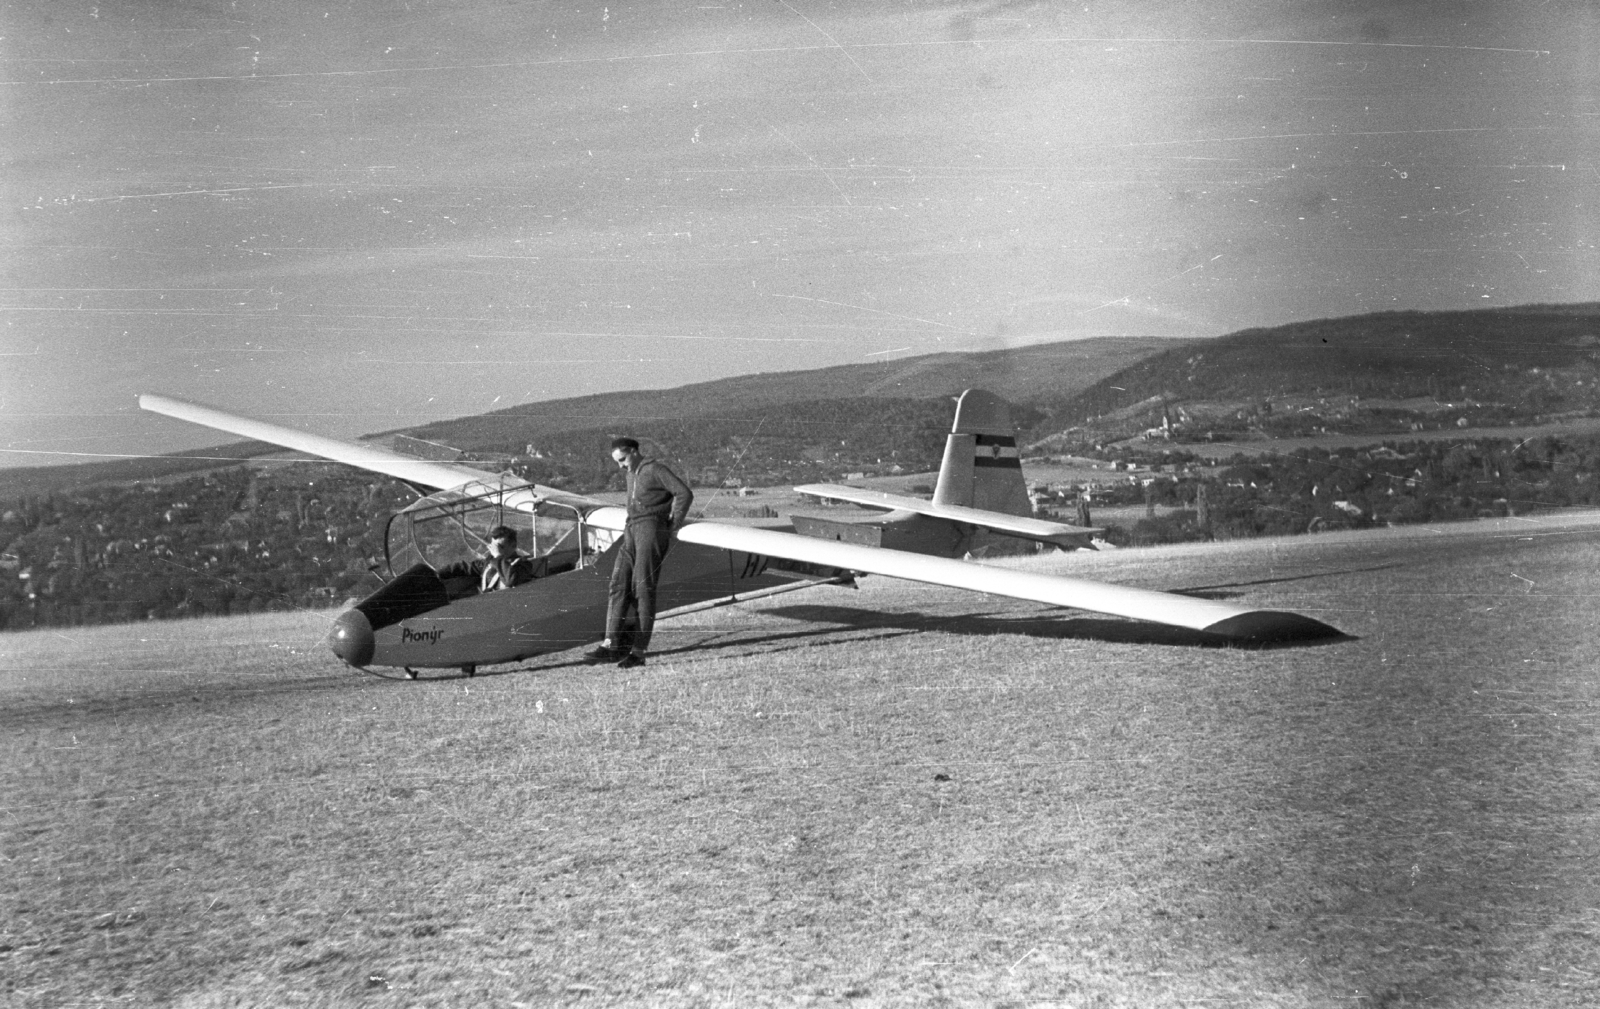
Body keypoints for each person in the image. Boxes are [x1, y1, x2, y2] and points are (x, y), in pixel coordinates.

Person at [586, 437, 693, 668]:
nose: (620, 466)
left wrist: (673, 523)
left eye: (622, 460)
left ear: (634, 452)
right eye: (617, 461)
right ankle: (610, 644)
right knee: (618, 584)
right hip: (631, 529)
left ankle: (638, 652)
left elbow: (684, 493)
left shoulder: (655, 469)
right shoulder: (630, 473)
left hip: (651, 529)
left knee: (643, 588)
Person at [438, 524, 536, 593]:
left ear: (513, 546)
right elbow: (468, 567)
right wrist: (438, 574)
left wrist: (498, 556)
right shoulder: (490, 561)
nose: (494, 550)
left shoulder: (523, 565)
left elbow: (510, 581)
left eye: (500, 547)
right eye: (494, 547)